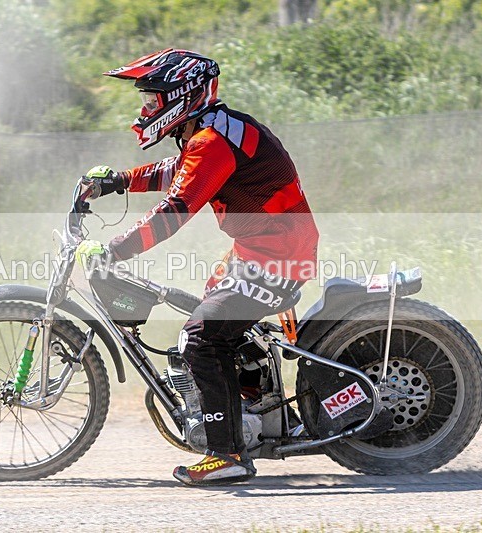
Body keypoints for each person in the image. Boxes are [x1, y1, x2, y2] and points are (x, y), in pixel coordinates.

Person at [76, 49, 319, 486]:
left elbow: (176, 209)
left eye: (153, 100)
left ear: (181, 96)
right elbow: (179, 170)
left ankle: (227, 454)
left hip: (278, 255)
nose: (145, 109)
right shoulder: (212, 129)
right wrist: (120, 182)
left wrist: (114, 250)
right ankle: (264, 414)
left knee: (200, 338)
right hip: (262, 247)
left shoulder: (211, 141)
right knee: (216, 315)